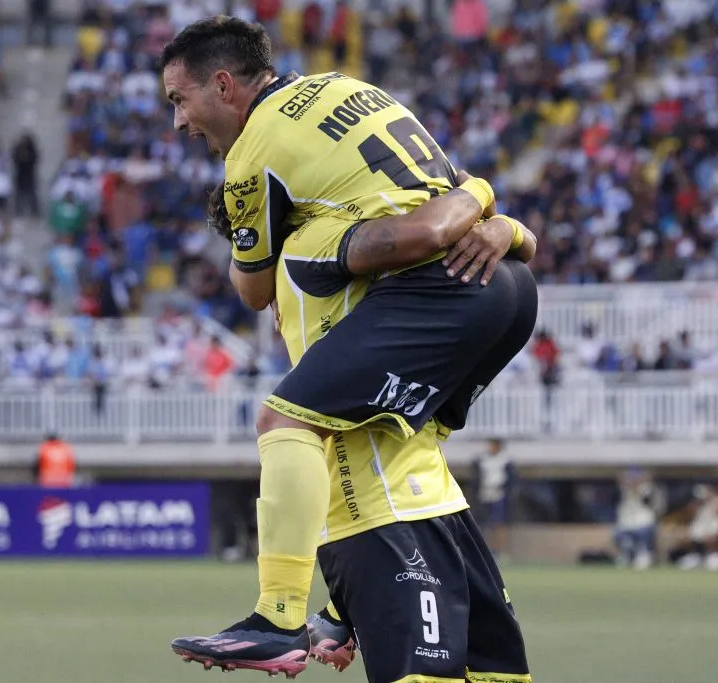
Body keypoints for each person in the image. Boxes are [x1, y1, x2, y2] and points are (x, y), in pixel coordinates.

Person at [162, 17, 537, 682]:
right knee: (403, 439)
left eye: (179, 100)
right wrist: (492, 209)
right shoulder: (343, 89)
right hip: (501, 285)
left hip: (440, 297)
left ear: (223, 86)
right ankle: (333, 609)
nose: (178, 122)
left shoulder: (300, 227)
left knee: (286, 417)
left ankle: (276, 617)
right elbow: (434, 202)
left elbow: (257, 287)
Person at [472, 438, 517, 559]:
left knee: (498, 524)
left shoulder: (505, 461)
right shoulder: (482, 460)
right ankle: (481, 551)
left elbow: (510, 481)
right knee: (481, 524)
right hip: (484, 495)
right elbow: (477, 477)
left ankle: (498, 551)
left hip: (499, 495)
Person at [614, 469, 664, 570]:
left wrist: (640, 487)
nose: (633, 481)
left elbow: (655, 508)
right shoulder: (624, 491)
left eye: (635, 478)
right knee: (619, 534)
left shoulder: (650, 490)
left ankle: (644, 555)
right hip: (627, 522)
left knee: (644, 532)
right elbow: (619, 479)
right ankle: (627, 555)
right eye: (631, 478)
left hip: (644, 521)